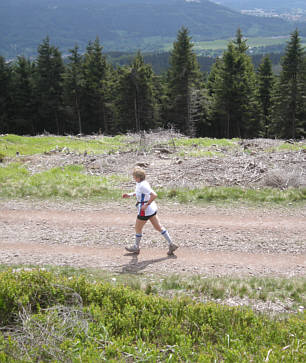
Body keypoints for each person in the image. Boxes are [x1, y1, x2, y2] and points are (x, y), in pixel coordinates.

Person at [122, 166, 178, 255]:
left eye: (134, 177)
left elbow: (154, 195)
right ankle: (171, 244)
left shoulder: (142, 185)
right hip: (151, 209)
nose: (134, 178)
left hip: (145, 211)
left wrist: (146, 205)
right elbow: (140, 193)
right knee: (158, 227)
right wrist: (130, 194)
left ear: (138, 177)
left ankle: (136, 247)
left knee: (137, 228)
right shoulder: (143, 183)